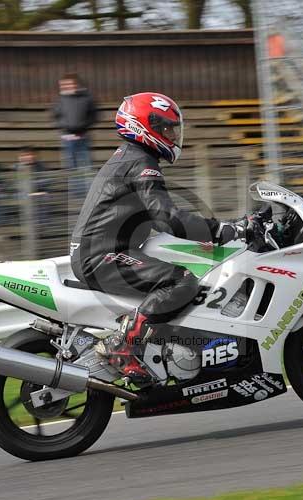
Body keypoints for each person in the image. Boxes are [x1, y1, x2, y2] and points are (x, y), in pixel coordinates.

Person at [69, 92, 243, 382]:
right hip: (100, 255)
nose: (172, 135)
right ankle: (123, 347)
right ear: (143, 126)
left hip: (100, 250)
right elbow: (167, 218)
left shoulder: (132, 157)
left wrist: (224, 225)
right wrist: (219, 230)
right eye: (166, 127)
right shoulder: (140, 162)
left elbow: (161, 217)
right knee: (180, 281)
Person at [53, 73, 97, 186]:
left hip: (83, 137)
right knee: (71, 167)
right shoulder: (61, 99)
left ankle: (89, 193)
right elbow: (55, 115)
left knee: (86, 166)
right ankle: (75, 194)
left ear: (76, 84)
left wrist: (84, 125)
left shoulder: (87, 98)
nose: (66, 87)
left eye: (68, 84)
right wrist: (65, 126)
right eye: (63, 85)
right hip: (67, 139)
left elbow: (95, 115)